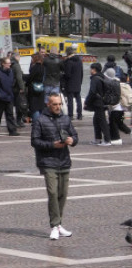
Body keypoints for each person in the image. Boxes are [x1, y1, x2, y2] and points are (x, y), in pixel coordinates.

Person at [31, 93, 77, 240]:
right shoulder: (40, 120)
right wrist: (52, 145)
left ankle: (58, 224)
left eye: (59, 104)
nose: (58, 107)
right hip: (48, 161)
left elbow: (75, 135)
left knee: (62, 194)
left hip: (64, 161)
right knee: (52, 193)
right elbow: (35, 141)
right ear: (48, 104)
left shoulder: (65, 118)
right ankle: (55, 225)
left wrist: (72, 140)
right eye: (55, 104)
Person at [0, 56, 19, 136]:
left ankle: (12, 130)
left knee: (10, 115)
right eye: (7, 63)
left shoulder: (11, 72)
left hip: (9, 96)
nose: (9, 65)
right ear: (3, 64)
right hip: (1, 97)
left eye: (10, 63)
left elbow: (13, 81)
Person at [84, 62, 112, 146]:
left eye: (91, 69)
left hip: (98, 103)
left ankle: (107, 140)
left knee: (102, 121)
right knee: (96, 121)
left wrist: (87, 101)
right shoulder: (102, 77)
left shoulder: (95, 79)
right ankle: (98, 139)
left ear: (94, 69)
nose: (90, 70)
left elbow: (92, 91)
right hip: (102, 102)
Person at [104, 68, 131, 145]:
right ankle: (129, 132)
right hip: (122, 109)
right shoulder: (119, 82)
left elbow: (114, 97)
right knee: (120, 123)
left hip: (116, 108)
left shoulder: (113, 83)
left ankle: (116, 139)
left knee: (114, 123)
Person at [61, 47, 84, 121]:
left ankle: (71, 115)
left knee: (70, 100)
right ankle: (79, 115)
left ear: (67, 53)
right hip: (78, 82)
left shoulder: (69, 62)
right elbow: (82, 73)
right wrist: (80, 81)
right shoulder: (79, 61)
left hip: (70, 83)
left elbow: (67, 74)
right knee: (78, 99)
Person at [27, 52, 46, 121]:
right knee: (40, 106)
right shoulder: (43, 68)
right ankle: (41, 121)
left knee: (34, 107)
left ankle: (36, 122)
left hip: (33, 89)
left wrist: (26, 83)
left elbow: (30, 78)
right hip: (41, 88)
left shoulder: (34, 67)